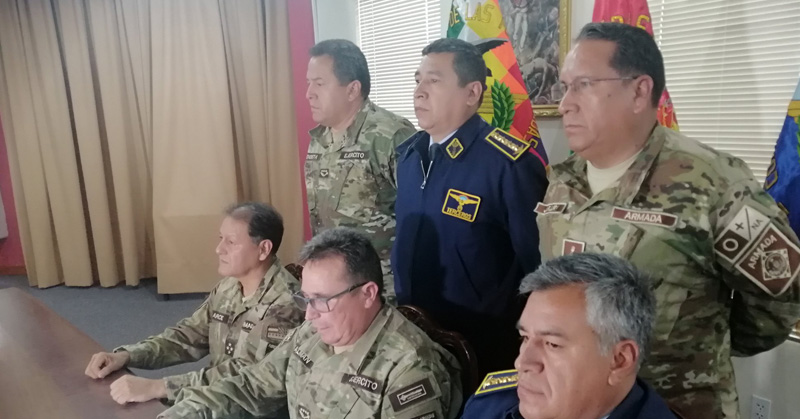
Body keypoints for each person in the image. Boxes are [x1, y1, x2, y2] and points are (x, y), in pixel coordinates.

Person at [537, 22, 800, 418]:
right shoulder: (563, 181)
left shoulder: (712, 181)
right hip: (580, 403)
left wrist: (699, 348)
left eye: (583, 85)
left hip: (676, 405)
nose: (564, 104)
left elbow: (782, 294)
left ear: (639, 91)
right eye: (565, 87)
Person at [158, 227, 462, 419]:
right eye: (305, 299)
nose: (309, 315)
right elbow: (254, 385)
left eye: (322, 299)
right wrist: (185, 411)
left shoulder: (409, 369)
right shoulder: (314, 330)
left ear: (368, 294)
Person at [392, 37, 548, 377]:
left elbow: (537, 266)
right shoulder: (408, 157)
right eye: (417, 80)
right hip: (413, 337)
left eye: (434, 81)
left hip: (483, 345)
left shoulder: (507, 165)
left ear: (472, 93)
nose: (419, 92)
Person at [85, 202, 304, 405]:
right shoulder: (229, 287)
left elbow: (245, 378)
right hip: (215, 398)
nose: (219, 249)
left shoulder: (286, 304)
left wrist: (160, 387)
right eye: (220, 238)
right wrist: (128, 356)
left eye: (230, 242)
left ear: (263, 249)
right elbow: (189, 336)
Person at [461, 253, 676, 419]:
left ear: (619, 360)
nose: (522, 363)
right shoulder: (488, 407)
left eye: (552, 344)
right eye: (525, 338)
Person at [304, 39, 416, 303]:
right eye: (309, 83)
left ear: (352, 89)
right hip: (335, 288)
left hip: (383, 291)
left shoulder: (390, 136)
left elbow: (419, 219)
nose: (309, 93)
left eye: (319, 83)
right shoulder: (320, 138)